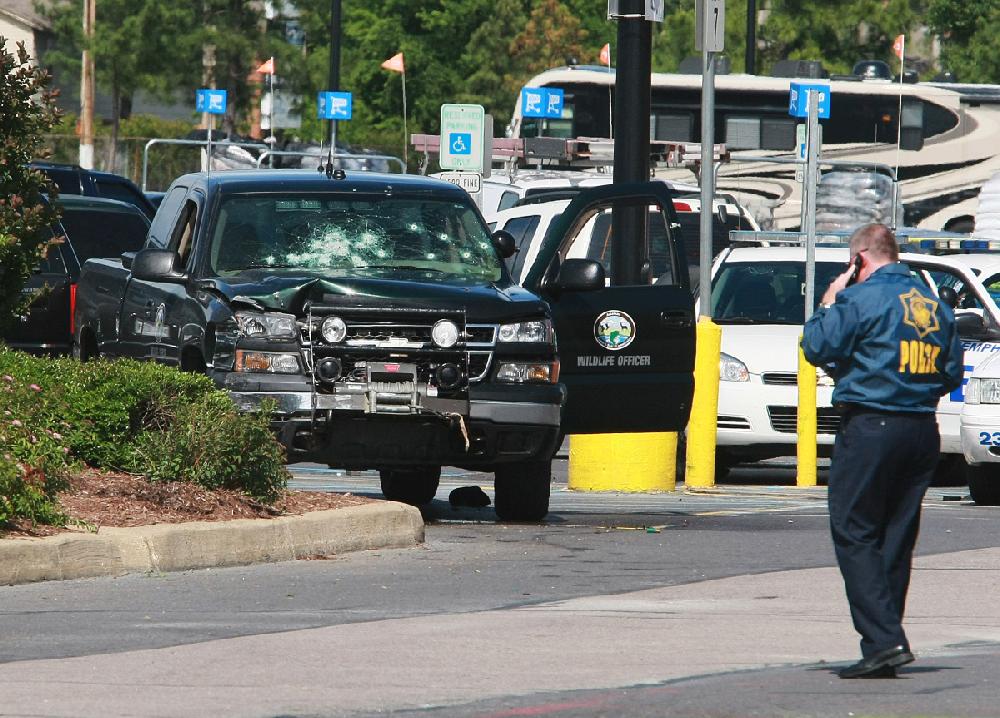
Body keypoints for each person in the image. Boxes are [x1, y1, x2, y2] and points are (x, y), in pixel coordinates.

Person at [801, 223, 964, 679]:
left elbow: (816, 345)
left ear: (859, 260)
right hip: (920, 430)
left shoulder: (859, 298)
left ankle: (884, 640)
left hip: (872, 425)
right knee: (896, 536)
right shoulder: (933, 302)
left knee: (854, 532)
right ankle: (885, 640)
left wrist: (829, 302)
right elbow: (951, 374)